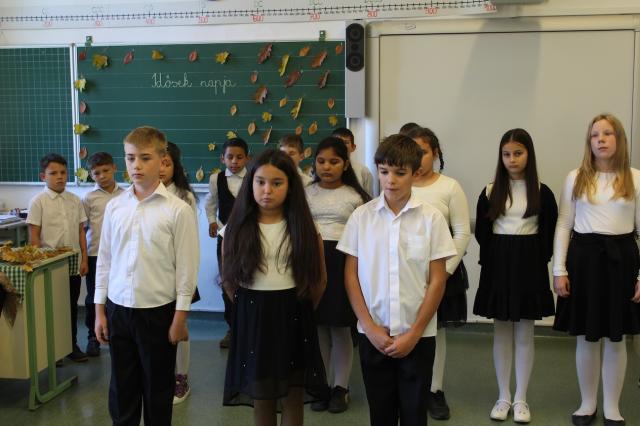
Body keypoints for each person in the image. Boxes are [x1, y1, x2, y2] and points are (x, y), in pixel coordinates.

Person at [338, 134, 456, 426]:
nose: (390, 180)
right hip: (373, 334)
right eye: (384, 171)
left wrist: (414, 333)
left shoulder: (432, 219)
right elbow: (351, 276)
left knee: (415, 414)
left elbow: (437, 280)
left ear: (415, 173)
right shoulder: (361, 217)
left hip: (417, 336)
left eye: (400, 173)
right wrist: (369, 327)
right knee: (381, 413)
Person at [94, 126, 199, 425]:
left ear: (163, 160)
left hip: (158, 312)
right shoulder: (115, 207)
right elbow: (105, 260)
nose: (136, 165)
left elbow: (187, 268)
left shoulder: (178, 210)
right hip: (118, 309)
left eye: (145, 158)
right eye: (130, 158)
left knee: (157, 390)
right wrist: (100, 311)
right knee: (122, 389)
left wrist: (179, 318)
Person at [221, 149, 328, 426]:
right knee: (262, 393)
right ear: (251, 184)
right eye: (260, 182)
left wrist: (301, 308)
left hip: (294, 312)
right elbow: (229, 279)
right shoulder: (236, 226)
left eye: (277, 183)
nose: (267, 190)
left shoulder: (304, 226)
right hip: (253, 314)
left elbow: (318, 280)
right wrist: (248, 307)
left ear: (290, 186)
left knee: (293, 392)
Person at [553, 114, 640, 426]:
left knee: (616, 339)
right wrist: (559, 269)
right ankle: (587, 403)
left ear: (620, 139)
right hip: (584, 261)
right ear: (589, 142)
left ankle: (612, 407)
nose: (600, 139)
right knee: (587, 337)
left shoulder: (635, 178)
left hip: (621, 261)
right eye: (594, 135)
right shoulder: (576, 177)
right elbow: (564, 224)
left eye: (607, 133)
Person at [474, 128, 558, 423]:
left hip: (529, 265)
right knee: (501, 332)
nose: (512, 159)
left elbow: (549, 231)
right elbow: (482, 232)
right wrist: (495, 257)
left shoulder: (542, 192)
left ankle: (521, 398)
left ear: (529, 155)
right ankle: (503, 396)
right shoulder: (490, 191)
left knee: (524, 332)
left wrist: (538, 260)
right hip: (498, 265)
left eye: (518, 153)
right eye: (506, 154)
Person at [407, 126, 471, 420]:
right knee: (406, 329)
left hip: (441, 273)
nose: (417, 158)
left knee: (435, 331)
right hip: (405, 272)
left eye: (422, 152)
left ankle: (434, 390)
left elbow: (461, 232)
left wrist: (443, 273)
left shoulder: (449, 187)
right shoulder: (398, 183)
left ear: (435, 153)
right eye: (411, 151)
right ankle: (409, 388)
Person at [305, 136, 370, 413]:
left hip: (343, 262)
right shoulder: (306, 192)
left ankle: (341, 388)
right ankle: (322, 384)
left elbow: (365, 237)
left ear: (345, 164)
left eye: (333, 161)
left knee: (340, 327)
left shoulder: (356, 196)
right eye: (321, 161)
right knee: (318, 326)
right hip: (311, 263)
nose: (326, 167)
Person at [27, 153, 89, 362]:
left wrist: (84, 259)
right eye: (53, 173)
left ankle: (70, 346)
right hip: (49, 264)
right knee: (50, 308)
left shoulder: (75, 200)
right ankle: (53, 352)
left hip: (72, 262)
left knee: (70, 306)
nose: (60, 177)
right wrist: (38, 262)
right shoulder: (38, 202)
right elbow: (34, 236)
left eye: (63, 172)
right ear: (43, 176)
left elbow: (81, 232)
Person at [159, 141, 201, 404]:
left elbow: (190, 242)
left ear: (175, 166)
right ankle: (162, 376)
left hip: (179, 273)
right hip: (155, 275)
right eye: (159, 163)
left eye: (167, 163)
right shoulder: (139, 195)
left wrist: (187, 278)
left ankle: (181, 377)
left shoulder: (185, 197)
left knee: (179, 326)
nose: (162, 169)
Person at [204, 137, 249, 348]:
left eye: (239, 157)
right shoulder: (216, 179)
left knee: (249, 279)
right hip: (225, 237)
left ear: (247, 158)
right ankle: (232, 328)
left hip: (250, 236)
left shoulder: (254, 176)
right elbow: (210, 203)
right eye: (230, 157)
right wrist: (211, 221)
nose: (234, 161)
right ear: (222, 158)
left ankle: (249, 326)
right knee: (227, 281)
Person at [82, 152, 124, 357]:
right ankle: (93, 337)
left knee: (117, 297)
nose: (102, 176)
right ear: (91, 175)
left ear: (114, 168)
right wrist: (83, 257)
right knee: (94, 297)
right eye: (97, 173)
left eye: (106, 170)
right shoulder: (88, 198)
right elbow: (82, 229)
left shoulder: (126, 194)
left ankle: (117, 335)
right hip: (95, 254)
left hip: (120, 255)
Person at [331, 127, 374, 196]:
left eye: (345, 142)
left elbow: (368, 199)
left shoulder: (363, 172)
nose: (341, 146)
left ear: (353, 147)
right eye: (337, 142)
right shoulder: (324, 170)